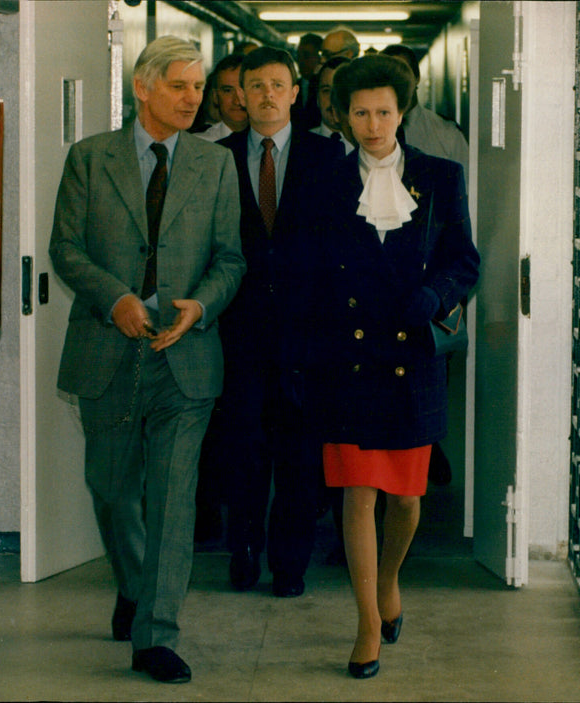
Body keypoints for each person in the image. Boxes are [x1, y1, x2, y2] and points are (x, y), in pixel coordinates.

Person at [48, 35, 245, 684]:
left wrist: (200, 306)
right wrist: (116, 299)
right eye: (180, 86)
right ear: (143, 87)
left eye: (199, 86)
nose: (195, 98)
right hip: (110, 348)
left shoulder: (214, 166)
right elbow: (67, 250)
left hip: (184, 358)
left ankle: (155, 632)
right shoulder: (89, 159)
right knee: (110, 489)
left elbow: (230, 258)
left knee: (171, 498)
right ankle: (135, 586)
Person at [305, 54, 480, 679]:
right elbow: (305, 269)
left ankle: (390, 582)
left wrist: (435, 296)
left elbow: (466, 261)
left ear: (402, 112)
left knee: (405, 500)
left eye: (383, 111)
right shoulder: (325, 181)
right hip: (348, 360)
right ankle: (366, 623)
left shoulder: (441, 175)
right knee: (357, 492)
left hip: (409, 354)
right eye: (359, 112)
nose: (372, 123)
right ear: (342, 115)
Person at [215, 46, 344, 598]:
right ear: (238, 95)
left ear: (297, 93)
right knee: (241, 450)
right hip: (236, 333)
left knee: (299, 455)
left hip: (307, 337)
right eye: (255, 85)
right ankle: (242, 552)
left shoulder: (329, 159)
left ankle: (289, 563)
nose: (266, 94)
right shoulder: (215, 160)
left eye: (277, 84)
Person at [382, 44, 469, 185]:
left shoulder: (447, 134)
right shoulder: (369, 132)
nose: (396, 81)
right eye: (388, 75)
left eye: (403, 73)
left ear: (417, 78)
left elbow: (466, 190)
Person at [195, 53, 249, 142]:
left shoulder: (268, 145)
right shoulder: (197, 144)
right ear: (215, 97)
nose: (237, 101)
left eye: (243, 90)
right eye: (228, 91)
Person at [310, 55, 354, 154]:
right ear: (317, 98)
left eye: (341, 90)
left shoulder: (369, 145)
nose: (333, 99)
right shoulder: (298, 146)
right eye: (326, 91)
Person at [291, 32, 322, 130]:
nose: (301, 61)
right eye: (298, 56)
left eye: (306, 55)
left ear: (319, 57)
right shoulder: (292, 86)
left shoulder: (324, 86)